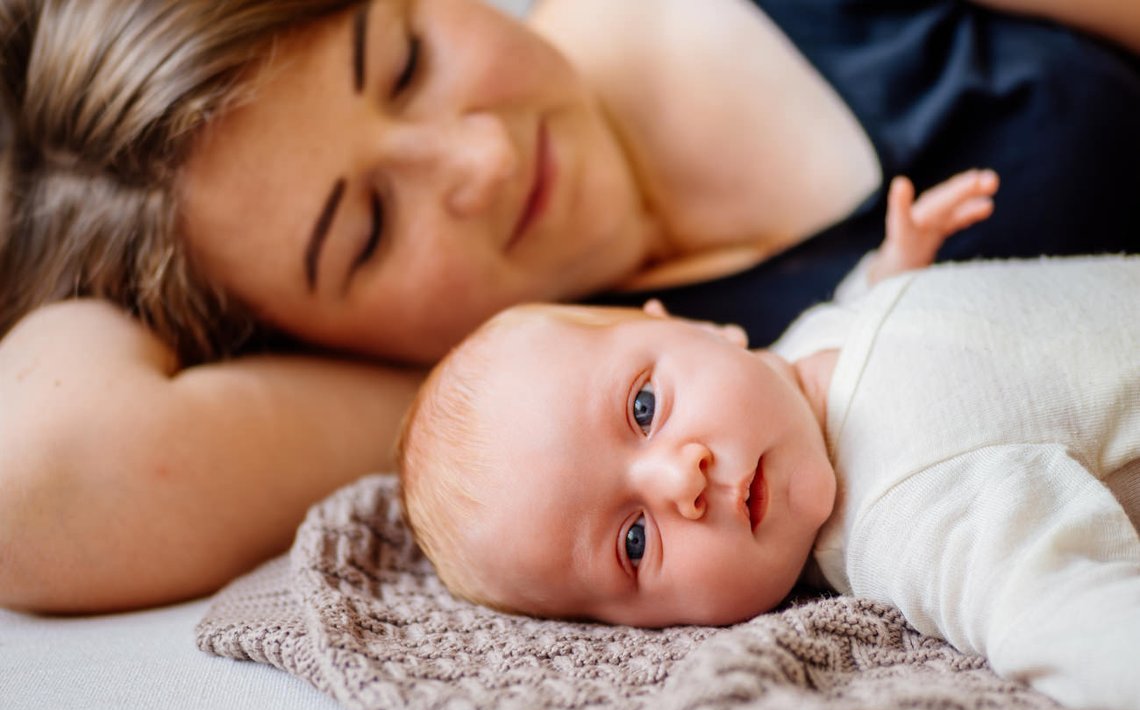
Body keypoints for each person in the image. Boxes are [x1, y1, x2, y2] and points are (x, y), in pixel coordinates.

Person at [2, 0, 1139, 613]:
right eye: (368, 230)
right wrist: (94, 187)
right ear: (314, 336)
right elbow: (36, 477)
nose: (483, 155)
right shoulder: (540, 429)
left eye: (402, 61)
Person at [396, 232, 1140, 710]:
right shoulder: (912, 515)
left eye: (645, 407)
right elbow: (1069, 626)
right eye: (632, 541)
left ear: (691, 327)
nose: (677, 482)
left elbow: (849, 319)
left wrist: (891, 270)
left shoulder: (805, 346)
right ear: (649, 630)